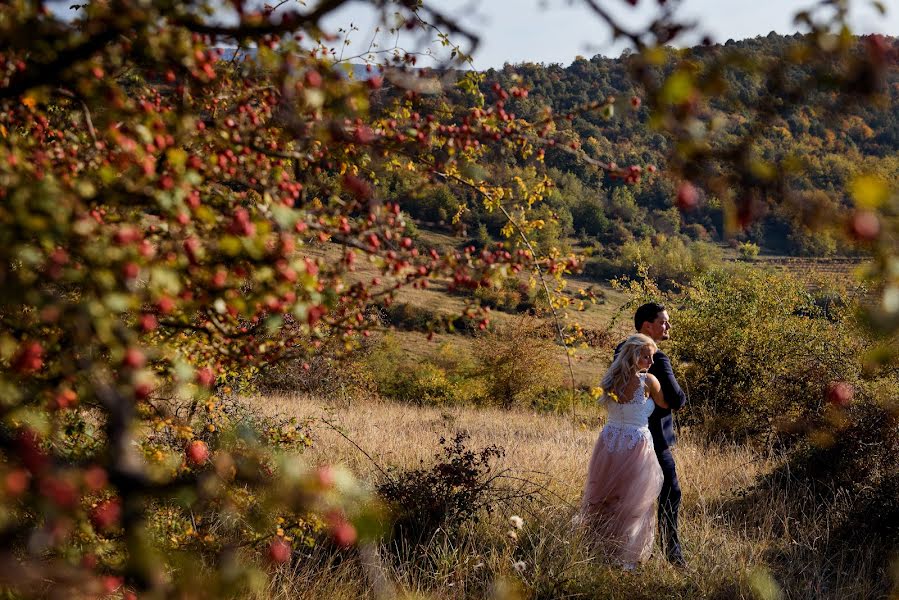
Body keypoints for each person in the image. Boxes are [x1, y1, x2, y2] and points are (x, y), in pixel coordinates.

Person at [580, 333, 668, 567]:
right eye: (646, 357)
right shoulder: (648, 381)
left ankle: (597, 549)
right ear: (633, 355)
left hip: (609, 442)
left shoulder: (609, 379)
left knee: (605, 497)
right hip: (635, 444)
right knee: (634, 500)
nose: (650, 362)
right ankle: (625, 556)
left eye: (652, 358)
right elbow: (664, 403)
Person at [622, 302, 688, 567]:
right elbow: (677, 399)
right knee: (670, 493)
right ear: (646, 326)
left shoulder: (622, 350)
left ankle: (621, 552)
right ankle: (673, 553)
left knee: (628, 497)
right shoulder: (656, 358)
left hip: (622, 439)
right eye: (663, 321)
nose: (668, 326)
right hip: (654, 441)